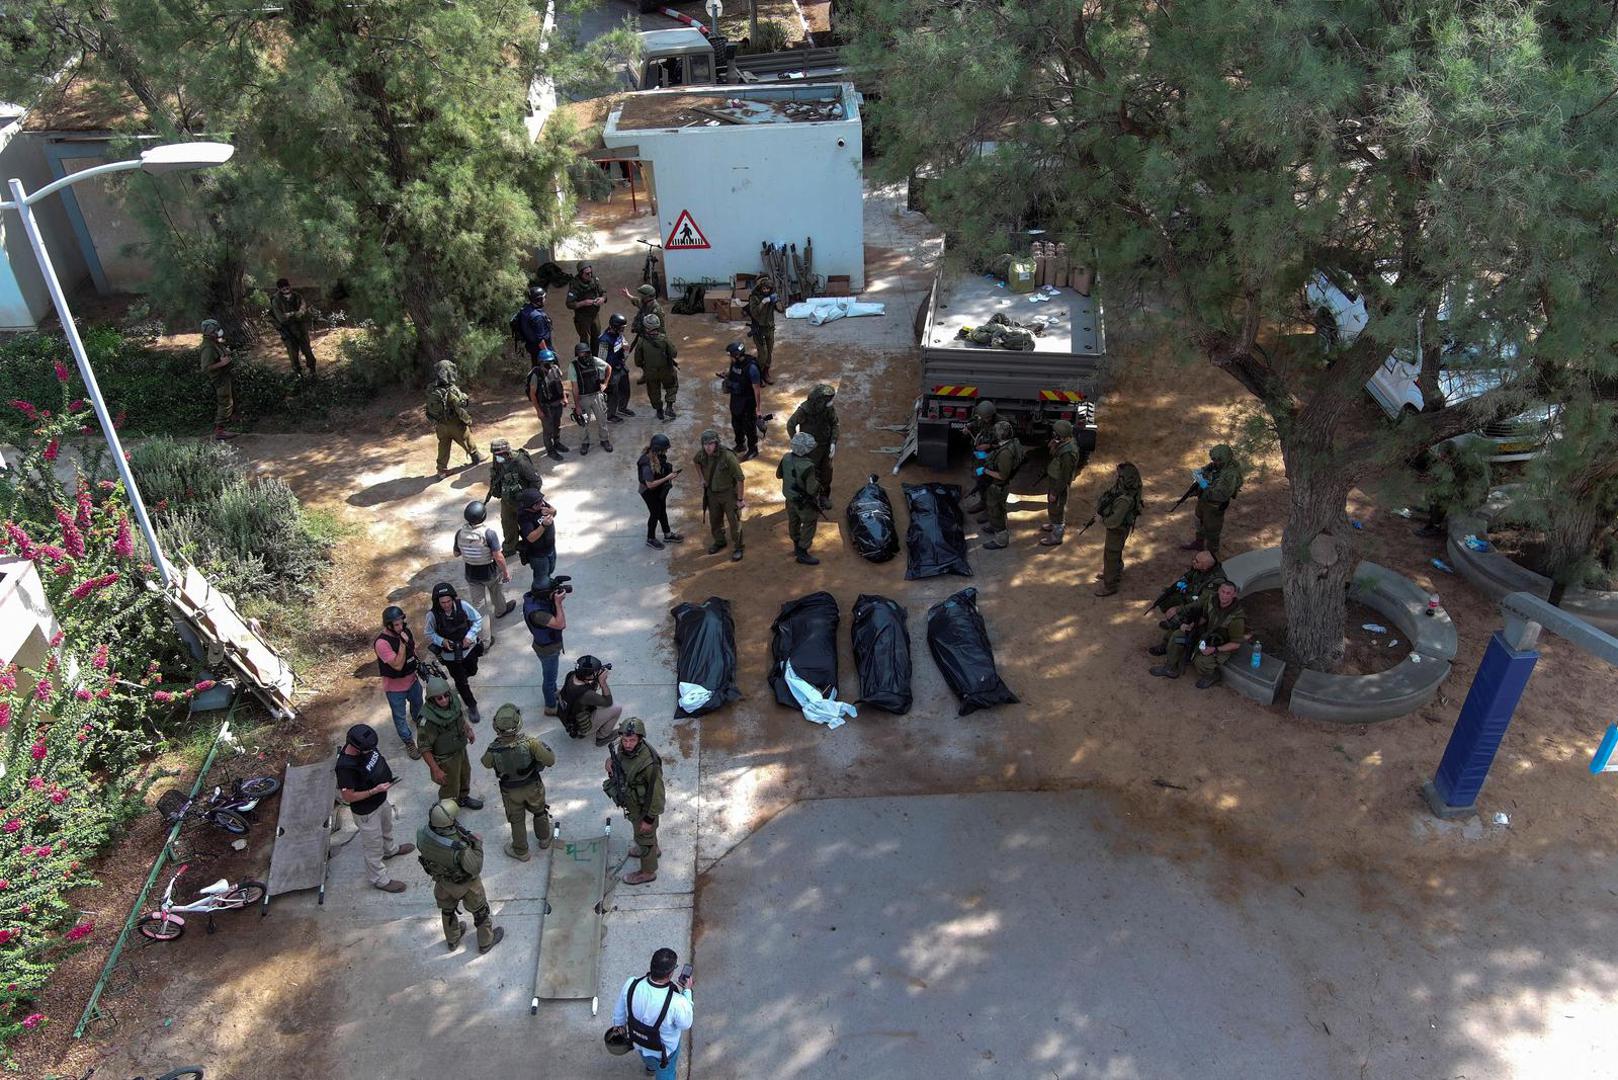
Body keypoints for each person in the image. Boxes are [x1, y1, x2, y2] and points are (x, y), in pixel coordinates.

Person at [416, 798, 503, 953]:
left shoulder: (422, 836)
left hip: (442, 882)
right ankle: (485, 942)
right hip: (466, 885)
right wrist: (477, 846)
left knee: (447, 910)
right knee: (480, 912)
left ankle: (453, 939)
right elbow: (475, 867)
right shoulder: (459, 848)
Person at [335, 724, 413, 893]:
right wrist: (373, 791)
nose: (371, 751)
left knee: (387, 827)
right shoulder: (345, 767)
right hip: (367, 812)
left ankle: (390, 850)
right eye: (367, 749)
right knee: (373, 846)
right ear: (355, 747)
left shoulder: (367, 747)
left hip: (381, 800)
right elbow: (348, 797)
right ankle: (379, 879)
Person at [479, 704, 556, 861]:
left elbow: (486, 763)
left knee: (517, 820)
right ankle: (544, 839)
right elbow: (550, 760)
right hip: (532, 787)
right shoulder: (531, 743)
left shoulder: (493, 749)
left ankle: (521, 851)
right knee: (540, 812)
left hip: (510, 791)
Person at [608, 947, 694, 1080]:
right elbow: (686, 1024)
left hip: (639, 1041)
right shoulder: (677, 1002)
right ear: (671, 973)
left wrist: (618, 1027)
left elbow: (619, 1013)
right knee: (666, 1073)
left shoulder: (631, 984)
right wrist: (687, 992)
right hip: (664, 1051)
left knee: (646, 1056)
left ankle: (650, 1068)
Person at [1150, 581, 1248, 688]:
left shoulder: (1236, 618)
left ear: (1234, 595)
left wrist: (1215, 649)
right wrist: (1191, 626)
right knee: (1178, 635)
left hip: (1219, 644)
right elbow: (1205, 617)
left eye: (1228, 593)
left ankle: (1212, 675)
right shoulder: (1212, 601)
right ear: (1218, 591)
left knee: (1201, 662)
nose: (1224, 595)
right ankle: (1170, 668)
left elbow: (1236, 644)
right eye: (1222, 591)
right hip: (1205, 634)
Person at [603, 717, 665, 885]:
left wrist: (649, 819)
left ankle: (647, 872)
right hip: (633, 804)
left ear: (640, 739)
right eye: (625, 740)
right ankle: (654, 848)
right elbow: (619, 759)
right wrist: (609, 762)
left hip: (644, 808)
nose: (628, 744)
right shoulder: (625, 750)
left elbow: (657, 796)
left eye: (632, 740)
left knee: (645, 836)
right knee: (643, 835)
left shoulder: (649, 764)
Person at [454, 501, 514, 648]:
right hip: (490, 572)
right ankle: (501, 610)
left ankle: (485, 642)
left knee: (479, 609)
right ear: (484, 517)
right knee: (496, 591)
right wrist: (505, 572)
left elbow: (456, 553)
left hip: (471, 574)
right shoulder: (488, 533)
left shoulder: (460, 533)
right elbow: (498, 556)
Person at [417, 675, 483, 808]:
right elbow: (424, 748)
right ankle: (446, 812)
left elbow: (459, 717)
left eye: (446, 695)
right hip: (445, 760)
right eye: (439, 698)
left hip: (460, 750)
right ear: (432, 700)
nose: (444, 700)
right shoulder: (427, 720)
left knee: (465, 775)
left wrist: (468, 730)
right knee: (450, 785)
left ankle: (463, 798)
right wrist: (435, 769)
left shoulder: (453, 703)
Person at [425, 582, 485, 723]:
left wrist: (470, 636)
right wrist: (441, 641)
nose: (446, 605)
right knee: (461, 682)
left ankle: (464, 679)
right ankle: (471, 705)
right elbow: (428, 633)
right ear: (437, 602)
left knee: (473, 670)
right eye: (442, 602)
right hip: (450, 656)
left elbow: (477, 619)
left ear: (452, 599)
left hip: (469, 650)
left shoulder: (463, 606)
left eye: (448, 601)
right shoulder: (432, 615)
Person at [374, 605, 424, 759]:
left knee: (418, 705)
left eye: (402, 622)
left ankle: (418, 720)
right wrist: (402, 644)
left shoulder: (405, 632)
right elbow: (397, 665)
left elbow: (413, 651)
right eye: (396, 625)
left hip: (412, 680)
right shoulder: (382, 644)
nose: (400, 627)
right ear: (388, 625)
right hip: (395, 689)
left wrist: (418, 666)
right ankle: (408, 741)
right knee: (400, 717)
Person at [1181, 444, 1243, 557]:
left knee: (1212, 531)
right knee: (1199, 522)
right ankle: (1198, 543)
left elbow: (1220, 496)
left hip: (1215, 506)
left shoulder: (1230, 475)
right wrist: (1200, 473)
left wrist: (1204, 485)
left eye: (1218, 460)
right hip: (1203, 501)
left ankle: (1211, 555)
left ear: (1226, 459)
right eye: (1213, 459)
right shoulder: (1217, 465)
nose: (1215, 462)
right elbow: (1207, 469)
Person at [1093, 462, 1144, 596]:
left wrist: (1101, 520)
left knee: (1111, 554)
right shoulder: (1129, 486)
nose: (1117, 477)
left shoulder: (1125, 500)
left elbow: (1114, 522)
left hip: (1118, 529)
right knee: (1115, 552)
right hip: (1121, 527)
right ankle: (1115, 571)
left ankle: (1110, 585)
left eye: (1119, 475)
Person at [694, 428, 746, 562]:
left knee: (734, 521)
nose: (708, 447)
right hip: (712, 493)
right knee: (715, 520)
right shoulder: (702, 455)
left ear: (716, 443)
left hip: (728, 493)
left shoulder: (728, 456)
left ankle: (738, 546)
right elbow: (696, 462)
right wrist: (701, 479)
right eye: (705, 444)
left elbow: (740, 478)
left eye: (711, 444)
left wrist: (740, 499)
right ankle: (720, 541)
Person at [485, 438, 541, 558]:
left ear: (507, 452)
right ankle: (510, 548)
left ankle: (534, 547)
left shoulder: (520, 462)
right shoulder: (498, 461)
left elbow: (536, 481)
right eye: (495, 455)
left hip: (523, 501)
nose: (497, 457)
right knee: (507, 524)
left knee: (528, 526)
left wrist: (530, 500)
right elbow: (496, 477)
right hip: (507, 500)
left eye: (499, 455)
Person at [786, 384, 838, 510]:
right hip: (810, 450)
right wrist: (798, 443)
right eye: (829, 399)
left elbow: (835, 424)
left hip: (825, 447)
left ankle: (823, 496)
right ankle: (806, 499)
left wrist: (833, 442)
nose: (831, 402)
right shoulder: (804, 410)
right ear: (820, 400)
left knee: (826, 472)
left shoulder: (828, 409)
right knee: (809, 475)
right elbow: (790, 425)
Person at [523, 573, 568, 715]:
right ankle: (550, 707)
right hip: (548, 650)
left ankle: (554, 691)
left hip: (545, 644)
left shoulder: (535, 599)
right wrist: (558, 603)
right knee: (549, 679)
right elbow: (561, 624)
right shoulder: (538, 614)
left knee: (550, 677)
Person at [427, 360, 481, 477]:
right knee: (466, 438)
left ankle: (441, 469)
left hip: (440, 425)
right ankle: (476, 457)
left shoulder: (431, 388)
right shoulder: (451, 388)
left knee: (443, 446)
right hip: (454, 423)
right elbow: (461, 404)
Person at [1148, 550, 1228, 628]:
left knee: (1182, 613)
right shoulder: (1199, 568)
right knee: (1164, 595)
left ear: (1205, 567)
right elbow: (1187, 577)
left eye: (1197, 561)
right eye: (1195, 559)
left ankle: (1179, 624)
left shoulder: (1216, 581)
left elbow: (1201, 603)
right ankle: (1172, 617)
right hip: (1191, 595)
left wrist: (1178, 609)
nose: (1193, 561)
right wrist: (1180, 585)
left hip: (1201, 606)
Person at [777, 431, 822, 565]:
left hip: (790, 499)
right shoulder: (808, 466)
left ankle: (796, 545)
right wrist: (818, 483)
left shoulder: (786, 458)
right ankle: (802, 552)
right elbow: (811, 489)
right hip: (803, 503)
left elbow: (779, 475)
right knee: (810, 522)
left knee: (794, 521)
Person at [557, 654, 624, 745]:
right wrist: (603, 682)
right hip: (579, 727)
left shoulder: (571, 675)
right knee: (616, 708)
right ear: (588, 677)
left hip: (568, 719)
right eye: (596, 671)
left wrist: (594, 678)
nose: (599, 672)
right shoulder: (586, 695)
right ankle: (602, 737)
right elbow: (608, 701)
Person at [1039, 419, 1084, 547]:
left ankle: (1056, 535)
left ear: (1061, 435)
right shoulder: (1064, 443)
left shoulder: (1068, 453)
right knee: (1052, 506)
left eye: (1056, 433)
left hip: (1059, 483)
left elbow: (1065, 476)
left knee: (1057, 507)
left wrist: (1055, 492)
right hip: (1054, 480)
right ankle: (1053, 524)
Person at [980, 420, 1025, 550]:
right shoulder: (1011, 443)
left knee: (996, 511)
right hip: (998, 486)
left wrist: (985, 471)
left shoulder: (1005, 454)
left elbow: (1002, 475)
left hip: (998, 486)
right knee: (998, 509)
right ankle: (995, 526)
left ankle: (1001, 539)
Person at [638, 433, 684, 549]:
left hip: (659, 490)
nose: (666, 452)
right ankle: (650, 538)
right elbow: (649, 484)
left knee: (662, 511)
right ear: (658, 449)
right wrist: (667, 478)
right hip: (648, 492)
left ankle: (667, 534)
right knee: (655, 514)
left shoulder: (657, 456)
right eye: (664, 449)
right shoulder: (646, 462)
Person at [526, 347, 571, 460]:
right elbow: (532, 394)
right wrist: (539, 411)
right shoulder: (536, 375)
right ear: (541, 363)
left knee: (557, 426)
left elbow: (560, 384)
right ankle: (550, 450)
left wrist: (564, 397)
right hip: (545, 406)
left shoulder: (555, 369)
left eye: (551, 361)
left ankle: (557, 443)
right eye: (547, 362)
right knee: (548, 430)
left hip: (557, 403)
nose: (550, 364)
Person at [570, 341, 615, 455]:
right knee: (583, 422)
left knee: (602, 419)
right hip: (583, 398)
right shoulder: (573, 366)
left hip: (597, 396)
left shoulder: (594, 360)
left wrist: (605, 383)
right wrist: (577, 406)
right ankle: (585, 443)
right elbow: (575, 388)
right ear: (577, 354)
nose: (583, 355)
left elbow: (608, 367)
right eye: (580, 353)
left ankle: (604, 440)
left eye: (585, 352)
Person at [720, 341, 763, 460]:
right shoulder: (734, 363)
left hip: (748, 402)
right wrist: (726, 375)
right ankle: (740, 445)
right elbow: (734, 373)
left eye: (731, 355)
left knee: (749, 426)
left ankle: (753, 449)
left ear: (737, 355)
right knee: (736, 424)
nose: (730, 358)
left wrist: (758, 409)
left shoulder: (752, 368)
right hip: (736, 399)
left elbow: (757, 390)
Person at [268, 277, 318, 377]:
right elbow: (281, 318)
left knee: (307, 350)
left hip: (301, 328)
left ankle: (312, 371)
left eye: (287, 287)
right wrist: (296, 314)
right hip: (287, 330)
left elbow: (302, 311)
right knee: (293, 353)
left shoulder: (297, 296)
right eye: (283, 288)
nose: (286, 290)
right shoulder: (276, 300)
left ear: (290, 286)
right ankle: (298, 374)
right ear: (279, 289)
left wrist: (291, 314)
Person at [634, 314, 680, 421]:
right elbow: (674, 353)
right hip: (666, 370)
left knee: (653, 390)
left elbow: (638, 360)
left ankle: (659, 410)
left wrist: (644, 367)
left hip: (650, 372)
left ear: (646, 327)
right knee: (672, 385)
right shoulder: (664, 339)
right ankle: (669, 407)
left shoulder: (641, 341)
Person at [199, 318, 237, 441]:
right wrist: (222, 363)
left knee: (229, 400)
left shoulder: (213, 342)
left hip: (224, 376)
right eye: (216, 330)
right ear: (210, 332)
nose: (219, 331)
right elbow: (206, 368)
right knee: (225, 402)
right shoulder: (208, 347)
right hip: (219, 378)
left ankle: (229, 419)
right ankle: (219, 430)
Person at [961, 400, 998, 513]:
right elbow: (975, 423)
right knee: (980, 479)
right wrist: (968, 427)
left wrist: (989, 445)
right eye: (982, 417)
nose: (984, 420)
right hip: (981, 456)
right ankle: (983, 502)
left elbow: (1007, 443)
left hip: (994, 457)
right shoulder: (982, 419)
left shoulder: (1002, 425)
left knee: (991, 483)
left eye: (986, 418)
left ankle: (990, 509)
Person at [516, 485, 558, 583]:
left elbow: (554, 511)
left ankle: (547, 584)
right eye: (539, 503)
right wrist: (543, 525)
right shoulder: (524, 517)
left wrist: (550, 511)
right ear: (530, 506)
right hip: (539, 555)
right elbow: (531, 538)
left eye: (542, 500)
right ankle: (541, 593)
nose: (543, 503)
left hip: (551, 548)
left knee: (550, 571)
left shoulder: (541, 504)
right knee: (541, 579)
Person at [600, 311, 636, 421]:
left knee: (625, 389)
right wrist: (603, 377)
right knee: (612, 393)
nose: (623, 330)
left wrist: (625, 348)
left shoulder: (618, 334)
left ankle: (622, 408)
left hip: (620, 366)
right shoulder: (604, 340)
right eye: (621, 327)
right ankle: (610, 415)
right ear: (615, 327)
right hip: (611, 370)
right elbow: (601, 359)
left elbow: (623, 344)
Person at [745, 275, 779, 383]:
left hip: (769, 328)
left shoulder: (771, 296)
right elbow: (754, 313)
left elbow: (781, 309)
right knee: (762, 354)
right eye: (764, 288)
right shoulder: (754, 297)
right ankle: (757, 374)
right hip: (758, 329)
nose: (766, 291)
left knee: (769, 352)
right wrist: (763, 302)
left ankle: (766, 373)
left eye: (768, 289)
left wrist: (776, 300)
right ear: (760, 287)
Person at [566, 261, 606, 353]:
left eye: (591, 272)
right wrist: (583, 303)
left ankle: (596, 358)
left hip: (595, 315)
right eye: (587, 273)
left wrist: (602, 299)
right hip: (583, 318)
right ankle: (586, 360)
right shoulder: (575, 285)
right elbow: (569, 304)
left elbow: (603, 292)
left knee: (597, 338)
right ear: (581, 273)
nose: (590, 275)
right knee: (585, 342)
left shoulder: (594, 280)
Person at [514, 285, 553, 361]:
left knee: (536, 364)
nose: (545, 299)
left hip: (530, 345)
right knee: (554, 369)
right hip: (542, 349)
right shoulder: (537, 317)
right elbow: (540, 339)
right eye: (544, 297)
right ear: (539, 300)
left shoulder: (525, 309)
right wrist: (547, 353)